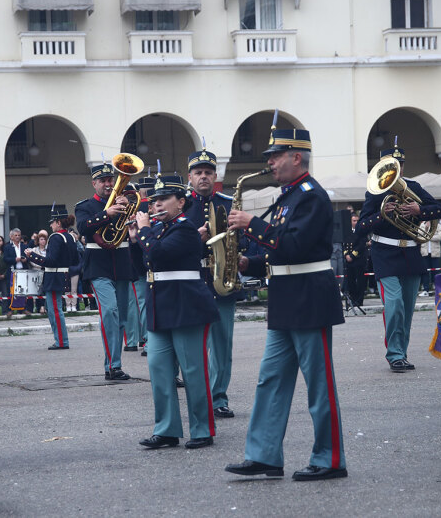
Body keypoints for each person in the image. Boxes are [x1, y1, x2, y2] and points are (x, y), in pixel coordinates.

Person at [224, 127, 347, 481]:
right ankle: (263, 455)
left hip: (310, 298)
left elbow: (295, 246)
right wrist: (252, 263)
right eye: (268, 157)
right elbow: (283, 252)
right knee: (270, 381)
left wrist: (252, 224)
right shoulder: (288, 196)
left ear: (297, 156)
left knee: (319, 386)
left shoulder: (311, 195)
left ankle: (330, 459)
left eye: (275, 156)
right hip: (286, 298)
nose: (269, 162)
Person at [129, 174, 217, 450]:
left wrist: (142, 231)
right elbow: (141, 266)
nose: (156, 205)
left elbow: (160, 254)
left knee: (193, 370)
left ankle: (202, 429)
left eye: (164, 199)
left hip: (186, 305)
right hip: (160, 306)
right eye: (154, 200)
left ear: (181, 202)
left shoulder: (185, 228)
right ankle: (166, 429)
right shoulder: (156, 229)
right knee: (159, 369)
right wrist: (134, 239)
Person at [356, 143, 441, 372]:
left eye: (400, 165)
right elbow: (361, 227)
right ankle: (394, 353)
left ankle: (401, 354)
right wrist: (381, 214)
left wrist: (420, 211)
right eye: (391, 166)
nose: (398, 170)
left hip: (410, 255)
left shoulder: (414, 187)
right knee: (394, 304)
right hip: (385, 255)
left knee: (406, 310)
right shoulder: (374, 193)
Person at [183, 148, 239, 419]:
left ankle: (219, 398)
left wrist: (243, 259)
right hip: (192, 282)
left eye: (208, 172)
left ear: (216, 175)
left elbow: (245, 239)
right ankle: (199, 396)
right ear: (190, 177)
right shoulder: (179, 204)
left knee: (221, 344)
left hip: (222, 280)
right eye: (198, 173)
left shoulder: (229, 203)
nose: (203, 176)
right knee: (194, 345)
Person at [75, 162, 134, 381]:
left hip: (122, 264)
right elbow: (83, 227)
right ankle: (113, 365)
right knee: (109, 311)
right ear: (94, 183)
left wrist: (129, 207)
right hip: (98, 265)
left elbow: (137, 224)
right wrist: (107, 213)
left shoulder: (124, 202)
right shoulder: (86, 206)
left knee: (121, 317)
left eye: (111, 180)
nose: (108, 184)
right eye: (103, 181)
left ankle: (114, 364)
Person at [25, 206, 80, 350]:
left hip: (54, 276)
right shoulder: (69, 236)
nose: (51, 225)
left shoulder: (56, 237)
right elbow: (75, 259)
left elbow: (50, 261)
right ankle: (60, 340)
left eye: (53, 222)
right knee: (53, 309)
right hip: (62, 275)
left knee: (55, 310)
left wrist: (32, 255)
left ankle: (62, 341)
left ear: (59, 223)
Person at [128, 177, 155, 351]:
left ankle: (134, 340)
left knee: (136, 303)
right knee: (146, 302)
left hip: (136, 260)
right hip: (150, 258)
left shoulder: (135, 208)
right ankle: (146, 340)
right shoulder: (157, 206)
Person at [342, 212, 367, 307]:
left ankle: (359, 300)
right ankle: (352, 300)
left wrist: (352, 255)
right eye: (354, 221)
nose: (356, 222)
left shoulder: (361, 230)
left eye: (357, 220)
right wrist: (346, 255)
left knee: (360, 281)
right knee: (350, 281)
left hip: (358, 259)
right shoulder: (346, 231)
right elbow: (344, 244)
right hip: (349, 261)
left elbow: (362, 244)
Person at [3, 228, 29, 313]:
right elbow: (5, 259)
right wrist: (15, 259)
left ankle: (23, 309)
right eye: (16, 235)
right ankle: (9, 310)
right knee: (11, 291)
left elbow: (29, 257)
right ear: (12, 237)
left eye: (19, 235)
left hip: (22, 271)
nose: (17, 237)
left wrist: (26, 260)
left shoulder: (25, 246)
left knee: (22, 291)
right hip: (12, 272)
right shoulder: (7, 247)